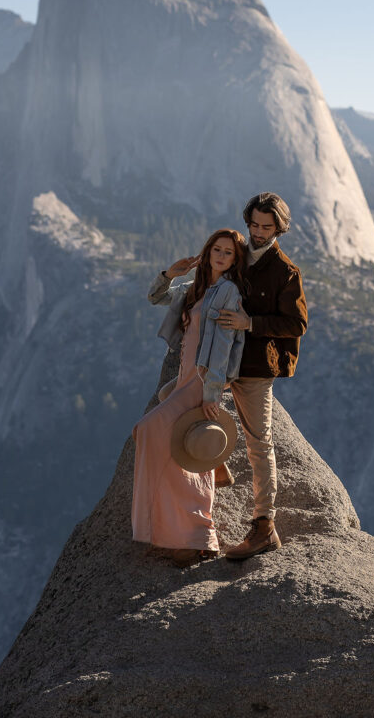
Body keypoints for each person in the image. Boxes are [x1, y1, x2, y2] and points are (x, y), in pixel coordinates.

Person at [132, 228, 247, 566]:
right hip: (183, 380)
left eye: (229, 253)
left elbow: (223, 347)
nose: (221, 256)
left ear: (235, 261)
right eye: (217, 249)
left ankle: (200, 534)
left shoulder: (228, 292)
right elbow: (155, 297)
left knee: (148, 430)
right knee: (173, 446)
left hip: (199, 382)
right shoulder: (195, 289)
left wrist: (213, 394)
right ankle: (178, 531)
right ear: (208, 250)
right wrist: (171, 273)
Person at [215, 192, 308, 560]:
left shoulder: (286, 272)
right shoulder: (237, 255)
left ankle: (264, 527)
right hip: (221, 361)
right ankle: (214, 461)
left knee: (259, 444)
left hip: (254, 367)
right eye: (253, 224)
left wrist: (249, 323)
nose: (257, 232)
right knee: (174, 399)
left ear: (279, 228)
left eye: (266, 227)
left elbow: (297, 324)